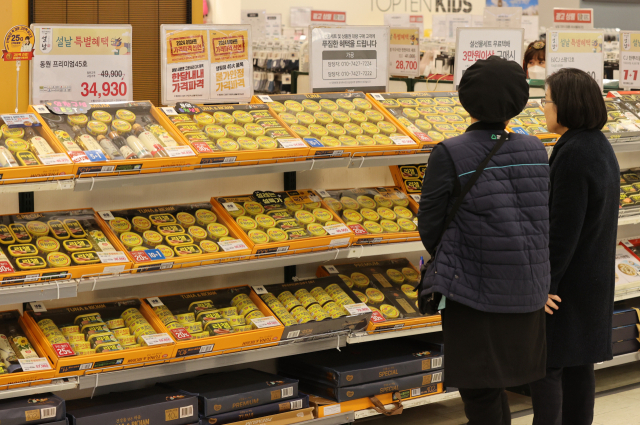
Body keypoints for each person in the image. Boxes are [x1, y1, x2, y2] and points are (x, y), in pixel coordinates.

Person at [417, 56, 550, 425]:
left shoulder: (450, 151)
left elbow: (429, 225)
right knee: (511, 380)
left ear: (465, 98)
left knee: (479, 389)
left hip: (472, 290)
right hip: (527, 286)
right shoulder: (536, 150)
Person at [529, 69, 619, 425]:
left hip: (567, 287)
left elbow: (562, 230)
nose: (542, 108)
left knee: (548, 368)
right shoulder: (597, 144)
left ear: (565, 105)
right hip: (592, 279)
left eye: (546, 100)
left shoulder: (574, 153)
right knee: (579, 366)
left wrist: (545, 285)